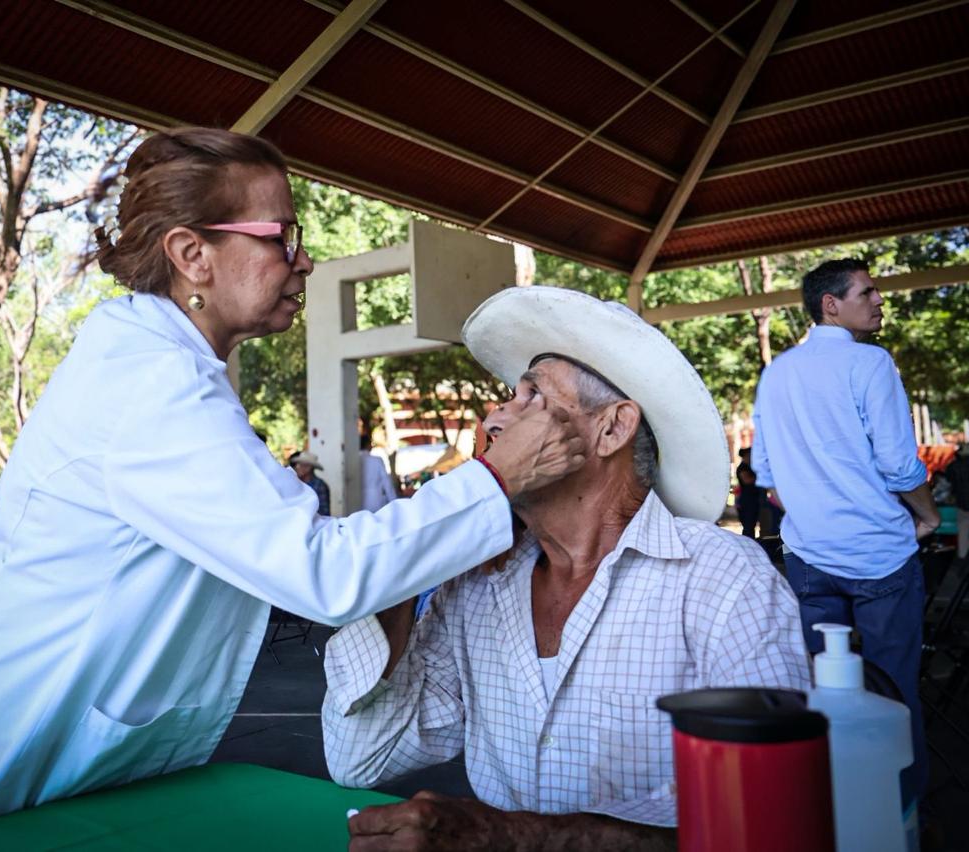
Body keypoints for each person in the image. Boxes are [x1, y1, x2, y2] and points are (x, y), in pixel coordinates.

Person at [0, 128, 584, 838]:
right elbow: (321, 570)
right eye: (282, 237)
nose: (305, 260)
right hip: (26, 757)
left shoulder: (168, 367)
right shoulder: (151, 384)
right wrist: (497, 479)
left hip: (73, 753)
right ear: (193, 255)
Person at [326, 287, 810, 849]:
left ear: (611, 429)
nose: (495, 418)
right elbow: (359, 757)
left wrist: (513, 840)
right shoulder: (477, 587)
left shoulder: (723, 578)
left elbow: (774, 818)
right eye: (508, 396)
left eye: (531, 397)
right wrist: (422, 553)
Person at [751, 258, 939, 805]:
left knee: (819, 691)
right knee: (893, 692)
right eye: (868, 291)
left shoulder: (778, 372)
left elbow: (769, 478)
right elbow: (901, 465)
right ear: (830, 304)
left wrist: (814, 503)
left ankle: (823, 808)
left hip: (809, 557)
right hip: (878, 554)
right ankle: (900, 814)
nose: (879, 300)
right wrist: (927, 516)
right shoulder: (870, 363)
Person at [360, 434, 397, 513]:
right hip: (376, 500)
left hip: (358, 501)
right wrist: (394, 502)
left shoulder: (354, 461)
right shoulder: (377, 460)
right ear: (368, 445)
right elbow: (387, 483)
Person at [288, 450, 331, 515]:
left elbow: (324, 512)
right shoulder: (298, 483)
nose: (296, 467)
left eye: (300, 464)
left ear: (308, 468)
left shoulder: (320, 486)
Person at [734, 446, 760, 538]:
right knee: (748, 526)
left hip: (753, 498)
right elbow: (747, 480)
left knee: (751, 524)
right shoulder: (742, 468)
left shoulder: (750, 467)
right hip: (747, 500)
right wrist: (760, 476)